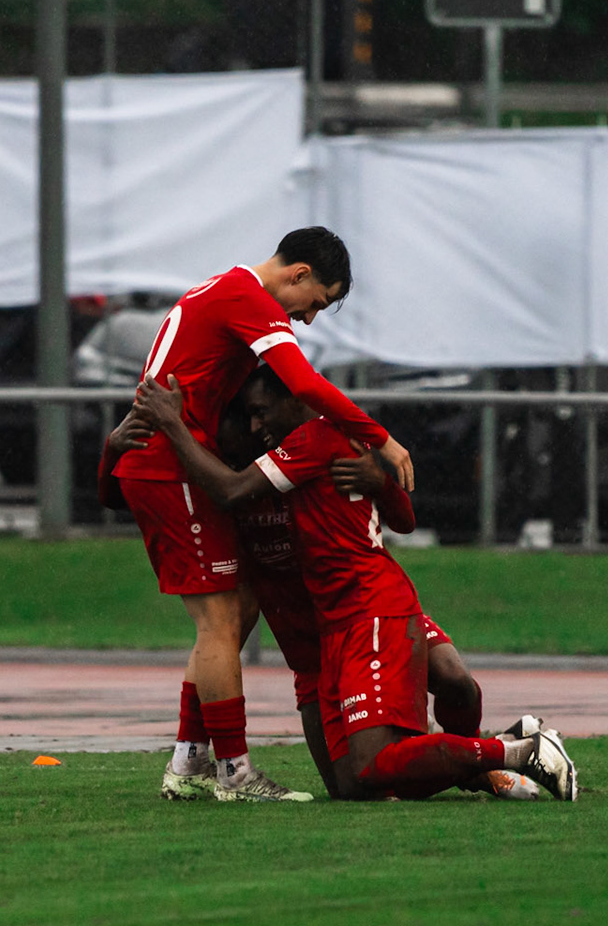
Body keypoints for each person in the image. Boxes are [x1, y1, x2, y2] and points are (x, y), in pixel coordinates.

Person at [135, 367, 577, 803]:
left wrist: (380, 479)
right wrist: (124, 444)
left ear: (293, 401)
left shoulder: (306, 444)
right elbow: (135, 488)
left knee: (450, 687)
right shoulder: (243, 474)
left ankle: (508, 756)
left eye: (260, 412)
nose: (255, 426)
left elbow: (402, 518)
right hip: (321, 640)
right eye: (247, 417)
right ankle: (489, 755)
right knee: (353, 786)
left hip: (369, 607)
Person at [112, 227, 415, 803]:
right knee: (219, 621)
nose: (308, 319)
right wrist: (381, 438)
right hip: (170, 467)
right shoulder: (247, 296)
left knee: (240, 606)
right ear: (298, 274)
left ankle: (189, 762)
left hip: (169, 461)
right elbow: (302, 383)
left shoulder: (223, 289)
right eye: (316, 302)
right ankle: (233, 774)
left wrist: (114, 455)